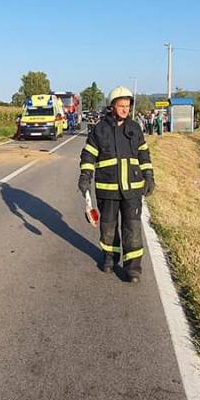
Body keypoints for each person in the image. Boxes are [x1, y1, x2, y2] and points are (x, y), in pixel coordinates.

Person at [77, 86, 154, 283]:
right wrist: (85, 175)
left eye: (127, 106)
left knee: (132, 229)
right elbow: (88, 154)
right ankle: (110, 258)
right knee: (108, 228)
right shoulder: (99, 130)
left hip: (132, 190)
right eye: (121, 106)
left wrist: (149, 175)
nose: (125, 110)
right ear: (112, 106)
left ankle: (133, 269)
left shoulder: (135, 128)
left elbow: (143, 152)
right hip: (107, 189)